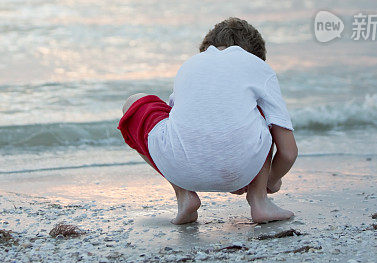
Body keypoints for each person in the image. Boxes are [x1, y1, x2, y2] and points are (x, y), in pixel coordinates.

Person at [118, 17, 297, 224]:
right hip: (241, 168)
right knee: (260, 112)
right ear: (256, 54)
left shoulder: (190, 64)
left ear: (208, 45)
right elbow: (288, 152)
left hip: (180, 170)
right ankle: (259, 201)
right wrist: (271, 180)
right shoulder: (257, 66)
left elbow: (183, 123)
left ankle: (184, 195)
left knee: (134, 102)